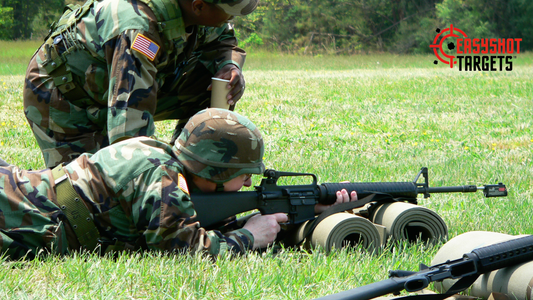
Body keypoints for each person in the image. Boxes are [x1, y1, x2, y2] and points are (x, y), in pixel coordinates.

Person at [0, 108, 357, 260]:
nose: (250, 180)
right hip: (21, 217)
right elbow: (186, 252)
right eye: (242, 174)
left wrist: (308, 208)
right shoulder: (162, 179)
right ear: (213, 171)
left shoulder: (160, 155)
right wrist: (250, 235)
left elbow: (186, 218)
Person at [23, 0, 256, 168]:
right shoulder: (138, 28)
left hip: (117, 83)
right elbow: (129, 133)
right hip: (65, 97)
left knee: (217, 82)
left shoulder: (198, 11)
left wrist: (230, 65)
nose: (231, 19)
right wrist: (160, 184)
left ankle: (196, 166)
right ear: (198, 6)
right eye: (229, 13)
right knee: (88, 195)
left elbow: (224, 40)